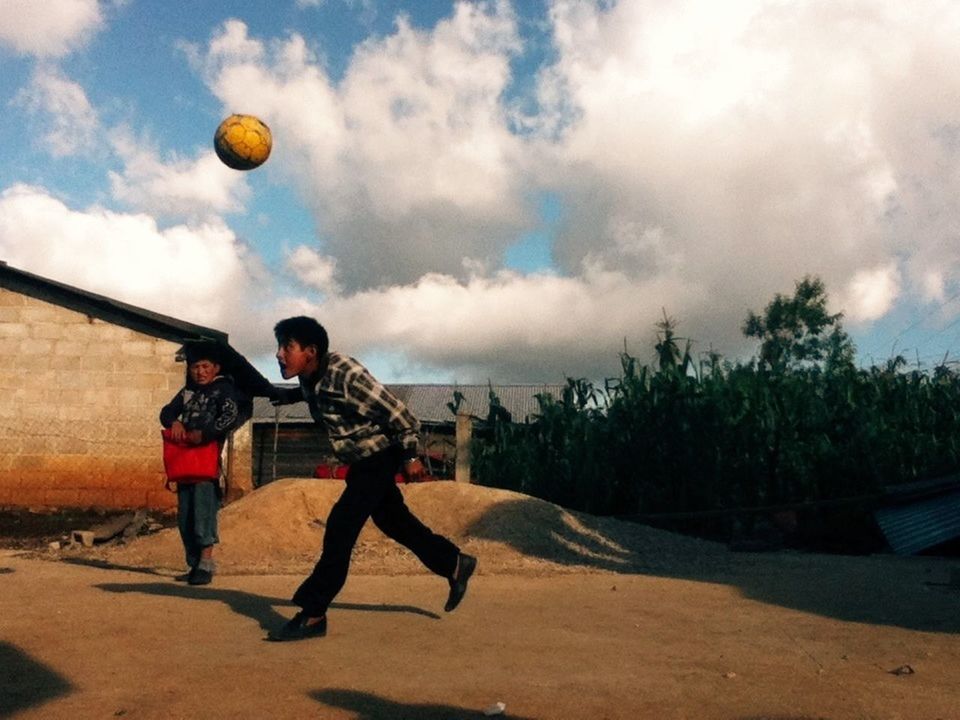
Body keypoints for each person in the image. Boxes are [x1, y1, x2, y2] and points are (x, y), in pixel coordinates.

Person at [267, 316, 476, 642]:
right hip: (363, 461)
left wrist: (410, 457)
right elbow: (322, 395)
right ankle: (454, 563)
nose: (279, 354)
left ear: (311, 351)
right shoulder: (310, 379)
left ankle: (313, 613)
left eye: (286, 347)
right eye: (279, 347)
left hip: (380, 456)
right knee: (396, 523)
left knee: (340, 528)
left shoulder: (345, 374)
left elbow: (401, 415)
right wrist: (289, 396)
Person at [159, 341, 249, 585]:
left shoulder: (223, 390)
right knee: (185, 516)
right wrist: (174, 423)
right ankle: (193, 565)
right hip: (185, 461)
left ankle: (206, 564)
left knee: (203, 513)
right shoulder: (187, 392)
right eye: (195, 367)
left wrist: (205, 434)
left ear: (215, 367)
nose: (200, 371)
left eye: (205, 366)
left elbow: (229, 416)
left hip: (206, 462)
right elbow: (166, 412)